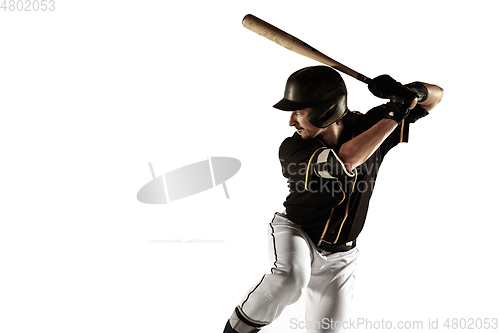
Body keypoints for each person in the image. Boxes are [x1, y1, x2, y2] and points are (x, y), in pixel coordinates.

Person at [223, 66, 443, 333]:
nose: (292, 121)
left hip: (341, 256)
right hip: (297, 233)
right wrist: (396, 113)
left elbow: (436, 97)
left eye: (300, 112)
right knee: (290, 279)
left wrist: (410, 93)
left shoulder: (373, 128)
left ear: (325, 111)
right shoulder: (293, 148)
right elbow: (346, 160)